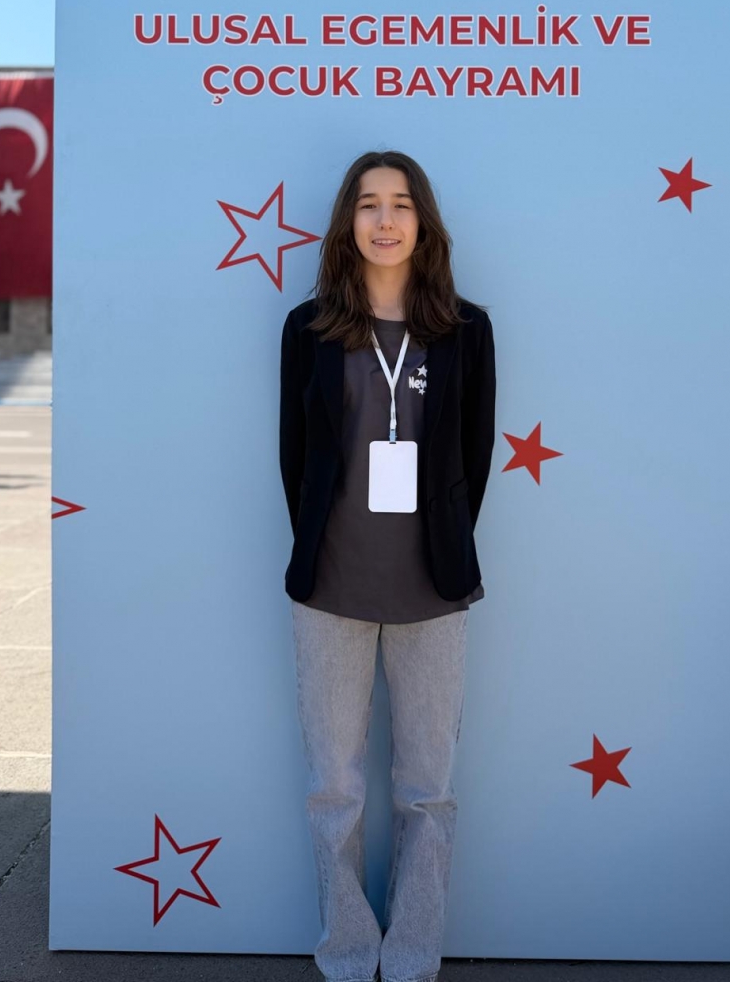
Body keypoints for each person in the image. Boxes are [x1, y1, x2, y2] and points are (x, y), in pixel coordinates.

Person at [280, 150, 495, 982]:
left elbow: (474, 459)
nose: (384, 219)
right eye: (368, 203)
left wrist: (442, 542)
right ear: (348, 222)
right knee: (334, 788)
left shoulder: (466, 331)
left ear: (423, 221)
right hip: (329, 588)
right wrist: (323, 540)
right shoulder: (308, 330)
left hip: (433, 590)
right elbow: (295, 459)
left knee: (427, 791)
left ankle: (410, 956)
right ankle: (346, 950)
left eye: (401, 203)